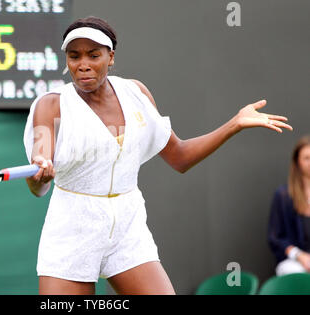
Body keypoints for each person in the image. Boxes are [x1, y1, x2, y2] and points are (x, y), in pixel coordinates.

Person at [23, 16, 293, 295]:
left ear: (111, 57)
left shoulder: (136, 93)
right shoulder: (51, 105)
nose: (83, 65)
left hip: (128, 226)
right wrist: (40, 174)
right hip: (72, 228)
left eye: (94, 55)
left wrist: (234, 124)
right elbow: (39, 180)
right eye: (74, 56)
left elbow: (180, 157)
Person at [268, 135, 310, 276]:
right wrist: (299, 255)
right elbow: (275, 238)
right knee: (295, 273)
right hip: (294, 262)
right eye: (307, 158)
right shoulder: (284, 195)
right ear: (297, 162)